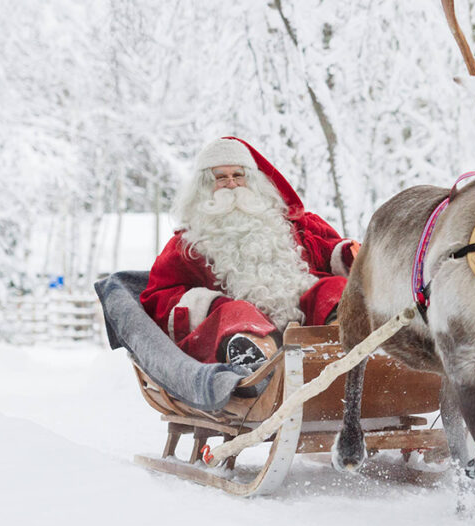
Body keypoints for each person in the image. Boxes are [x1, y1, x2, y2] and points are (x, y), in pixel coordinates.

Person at [140, 137, 357, 367]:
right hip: (240, 332)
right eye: (221, 178)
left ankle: (341, 342)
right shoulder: (187, 244)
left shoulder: (293, 224)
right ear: (204, 186)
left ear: (252, 181)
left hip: (309, 323)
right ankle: (258, 359)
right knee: (234, 312)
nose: (232, 184)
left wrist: (352, 256)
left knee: (333, 289)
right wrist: (211, 305)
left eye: (238, 175)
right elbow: (159, 296)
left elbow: (331, 249)